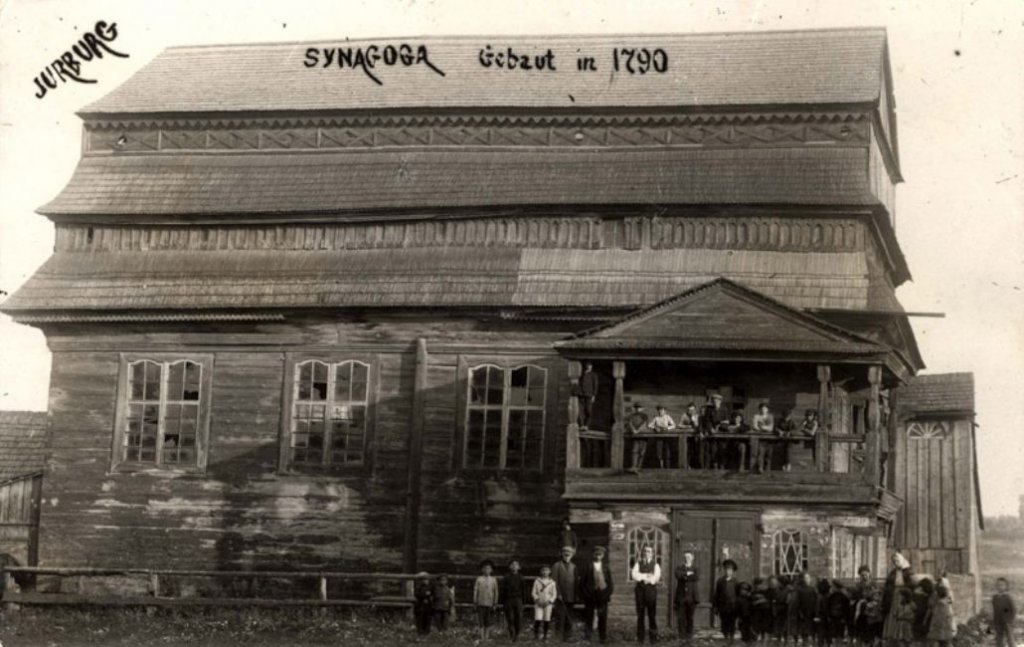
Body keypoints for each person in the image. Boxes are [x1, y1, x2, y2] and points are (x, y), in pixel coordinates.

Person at [579, 545, 614, 644]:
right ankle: (587, 637)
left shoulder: (606, 566)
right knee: (588, 617)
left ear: (603, 555)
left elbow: (610, 583)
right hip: (590, 595)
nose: (598, 556)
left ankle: (602, 637)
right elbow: (582, 583)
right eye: (596, 554)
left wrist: (607, 594)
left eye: (600, 554)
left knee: (602, 617)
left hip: (602, 595)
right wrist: (587, 594)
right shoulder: (588, 565)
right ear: (593, 554)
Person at [881, 553, 914, 645]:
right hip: (893, 595)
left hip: (903, 595)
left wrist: (906, 593)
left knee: (901, 613)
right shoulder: (892, 573)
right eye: (894, 561)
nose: (895, 563)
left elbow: (911, 585)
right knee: (892, 613)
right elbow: (888, 585)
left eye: (897, 561)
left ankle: (901, 635)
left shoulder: (908, 572)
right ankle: (891, 635)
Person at [632, 544, 661, 644]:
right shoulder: (638, 563)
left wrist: (643, 577)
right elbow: (634, 575)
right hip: (640, 592)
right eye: (645, 551)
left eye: (649, 551)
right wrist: (646, 575)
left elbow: (655, 578)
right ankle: (640, 639)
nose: (646, 553)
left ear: (652, 554)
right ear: (643, 553)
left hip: (651, 592)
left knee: (651, 615)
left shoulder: (656, 565)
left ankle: (653, 638)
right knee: (640, 615)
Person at [552, 545, 579, 642]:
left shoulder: (574, 567)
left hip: (571, 596)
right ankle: (558, 636)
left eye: (569, 553)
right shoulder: (557, 566)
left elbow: (576, 582)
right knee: (560, 616)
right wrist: (558, 593)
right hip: (560, 596)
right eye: (565, 553)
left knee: (569, 616)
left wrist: (576, 595)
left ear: (572, 555)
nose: (567, 555)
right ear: (562, 554)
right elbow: (554, 581)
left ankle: (568, 636)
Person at [674, 551, 700, 642]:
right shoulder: (679, 568)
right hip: (681, 596)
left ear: (692, 558)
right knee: (681, 617)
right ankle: (681, 636)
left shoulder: (695, 568)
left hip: (692, 597)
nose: (687, 558)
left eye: (689, 557)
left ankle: (689, 636)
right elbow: (677, 575)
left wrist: (684, 575)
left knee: (690, 617)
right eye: (685, 557)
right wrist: (687, 574)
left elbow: (696, 577)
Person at [700, 392, 730, 469]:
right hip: (713, 434)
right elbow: (707, 421)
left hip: (722, 433)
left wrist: (719, 425)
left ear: (720, 401)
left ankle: (722, 466)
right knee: (713, 450)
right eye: (714, 400)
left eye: (717, 400)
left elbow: (727, 422)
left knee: (722, 450)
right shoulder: (709, 410)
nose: (715, 402)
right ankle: (715, 466)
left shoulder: (724, 410)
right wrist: (711, 428)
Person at [715, 559, 741, 644]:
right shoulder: (720, 581)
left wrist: (738, 606)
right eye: (726, 569)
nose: (727, 572)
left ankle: (731, 637)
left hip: (733, 606)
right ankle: (725, 636)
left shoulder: (736, 582)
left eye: (730, 570)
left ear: (732, 571)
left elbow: (738, 594)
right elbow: (717, 594)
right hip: (723, 606)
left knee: (732, 622)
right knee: (724, 622)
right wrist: (716, 607)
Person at [474, 559, 500, 641]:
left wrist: (495, 603)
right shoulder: (479, 579)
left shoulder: (493, 579)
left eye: (488, 568)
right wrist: (475, 601)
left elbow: (496, 591)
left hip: (490, 603)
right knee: (481, 621)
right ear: (482, 570)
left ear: (491, 570)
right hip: (480, 603)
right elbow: (475, 590)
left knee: (488, 621)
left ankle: (487, 636)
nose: (486, 570)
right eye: (485, 568)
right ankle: (482, 637)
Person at [503, 558, 527, 642]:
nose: (514, 566)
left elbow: (524, 590)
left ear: (519, 567)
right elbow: (503, 590)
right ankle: (511, 633)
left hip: (518, 600)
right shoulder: (506, 577)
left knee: (518, 617)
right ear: (509, 567)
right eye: (512, 565)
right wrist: (503, 602)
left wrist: (523, 602)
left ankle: (517, 634)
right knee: (510, 617)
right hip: (509, 600)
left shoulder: (521, 577)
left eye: (516, 565)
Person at [532, 564, 557, 641]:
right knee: (538, 619)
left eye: (547, 570)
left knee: (547, 619)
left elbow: (554, 594)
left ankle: (545, 635)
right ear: (540, 571)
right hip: (538, 603)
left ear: (550, 572)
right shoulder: (537, 581)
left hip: (547, 604)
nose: (545, 572)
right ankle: (536, 635)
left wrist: (550, 601)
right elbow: (533, 592)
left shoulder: (552, 582)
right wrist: (537, 600)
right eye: (543, 570)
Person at [648, 404, 677, 468]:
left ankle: (667, 467)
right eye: (659, 410)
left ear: (665, 411)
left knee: (667, 451)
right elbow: (650, 425)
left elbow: (674, 425)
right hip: (659, 437)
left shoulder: (668, 417)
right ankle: (661, 467)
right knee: (659, 452)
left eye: (662, 410)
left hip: (667, 437)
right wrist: (655, 427)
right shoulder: (656, 418)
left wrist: (667, 428)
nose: (660, 412)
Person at [794, 573, 818, 646]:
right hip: (803, 613)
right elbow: (797, 603)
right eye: (806, 578)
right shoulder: (799, 590)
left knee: (810, 631)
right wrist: (800, 612)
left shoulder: (812, 589)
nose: (808, 580)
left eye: (808, 578)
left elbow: (816, 601)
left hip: (811, 613)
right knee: (804, 632)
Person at [992, 577, 1016, 647]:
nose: (1000, 587)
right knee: (999, 637)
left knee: (1009, 637)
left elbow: (1013, 609)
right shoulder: (995, 598)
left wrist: (1010, 619)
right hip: (998, 620)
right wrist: (994, 620)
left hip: (1007, 621)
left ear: (1006, 586)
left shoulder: (1008, 597)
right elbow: (995, 609)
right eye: (998, 585)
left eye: (1002, 585)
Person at [627, 402, 651, 473]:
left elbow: (645, 424)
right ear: (634, 408)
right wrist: (633, 430)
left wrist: (638, 430)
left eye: (640, 408)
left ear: (642, 408)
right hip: (635, 436)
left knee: (642, 452)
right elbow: (629, 423)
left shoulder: (645, 416)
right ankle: (633, 466)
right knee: (634, 451)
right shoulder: (631, 416)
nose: (638, 409)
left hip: (643, 436)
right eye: (636, 408)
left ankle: (639, 467)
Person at [752, 403, 775, 472]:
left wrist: (762, 427)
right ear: (759, 409)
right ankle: (760, 468)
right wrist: (764, 428)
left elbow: (771, 428)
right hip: (760, 438)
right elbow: (754, 426)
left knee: (769, 455)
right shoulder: (757, 416)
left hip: (769, 438)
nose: (763, 410)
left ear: (767, 409)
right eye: (762, 408)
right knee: (760, 453)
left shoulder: (770, 416)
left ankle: (767, 470)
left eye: (765, 408)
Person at [827, 580, 850, 646]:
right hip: (833, 618)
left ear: (836, 587)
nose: (831, 588)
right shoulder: (831, 596)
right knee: (834, 635)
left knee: (840, 635)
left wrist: (844, 618)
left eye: (833, 586)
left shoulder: (843, 596)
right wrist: (829, 616)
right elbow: (828, 607)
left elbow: (846, 609)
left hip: (840, 618)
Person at [911, 578, 934, 645]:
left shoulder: (921, 597)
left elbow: (920, 610)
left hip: (923, 620)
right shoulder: (929, 596)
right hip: (925, 620)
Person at [578, 362, 599, 430]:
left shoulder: (593, 375)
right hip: (581, 395)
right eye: (588, 366)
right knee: (581, 411)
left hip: (589, 395)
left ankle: (586, 425)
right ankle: (581, 425)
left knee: (589, 411)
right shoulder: (582, 374)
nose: (589, 367)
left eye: (590, 366)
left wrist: (594, 395)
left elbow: (595, 385)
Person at [679, 403, 700, 469]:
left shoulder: (697, 416)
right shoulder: (684, 415)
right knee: (688, 451)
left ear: (695, 410)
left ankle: (695, 466)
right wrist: (687, 427)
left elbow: (698, 426)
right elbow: (679, 425)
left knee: (696, 450)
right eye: (689, 410)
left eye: (692, 410)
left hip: (696, 436)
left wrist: (693, 419)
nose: (691, 411)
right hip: (687, 437)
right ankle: (688, 465)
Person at [413, 571, 434, 638]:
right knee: (420, 619)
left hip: (428, 606)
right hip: (420, 606)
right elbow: (417, 594)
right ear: (421, 580)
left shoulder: (430, 587)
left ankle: (426, 632)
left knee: (427, 619)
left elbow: (433, 594)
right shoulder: (418, 587)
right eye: (424, 580)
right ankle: (420, 632)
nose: (426, 581)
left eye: (427, 580)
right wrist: (424, 595)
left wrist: (430, 596)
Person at [751, 578, 771, 644]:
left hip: (766, 612)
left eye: (761, 584)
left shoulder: (767, 591)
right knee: (757, 628)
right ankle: (757, 643)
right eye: (759, 584)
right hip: (757, 613)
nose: (760, 586)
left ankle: (764, 643)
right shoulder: (753, 592)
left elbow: (769, 600)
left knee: (765, 629)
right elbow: (752, 602)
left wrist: (758, 600)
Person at [738, 581, 757, 645]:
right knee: (744, 633)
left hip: (750, 618)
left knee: (750, 633)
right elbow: (738, 609)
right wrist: (739, 617)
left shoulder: (751, 598)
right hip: (742, 618)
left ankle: (751, 642)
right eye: (741, 590)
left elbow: (754, 608)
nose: (742, 591)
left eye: (744, 590)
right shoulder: (739, 599)